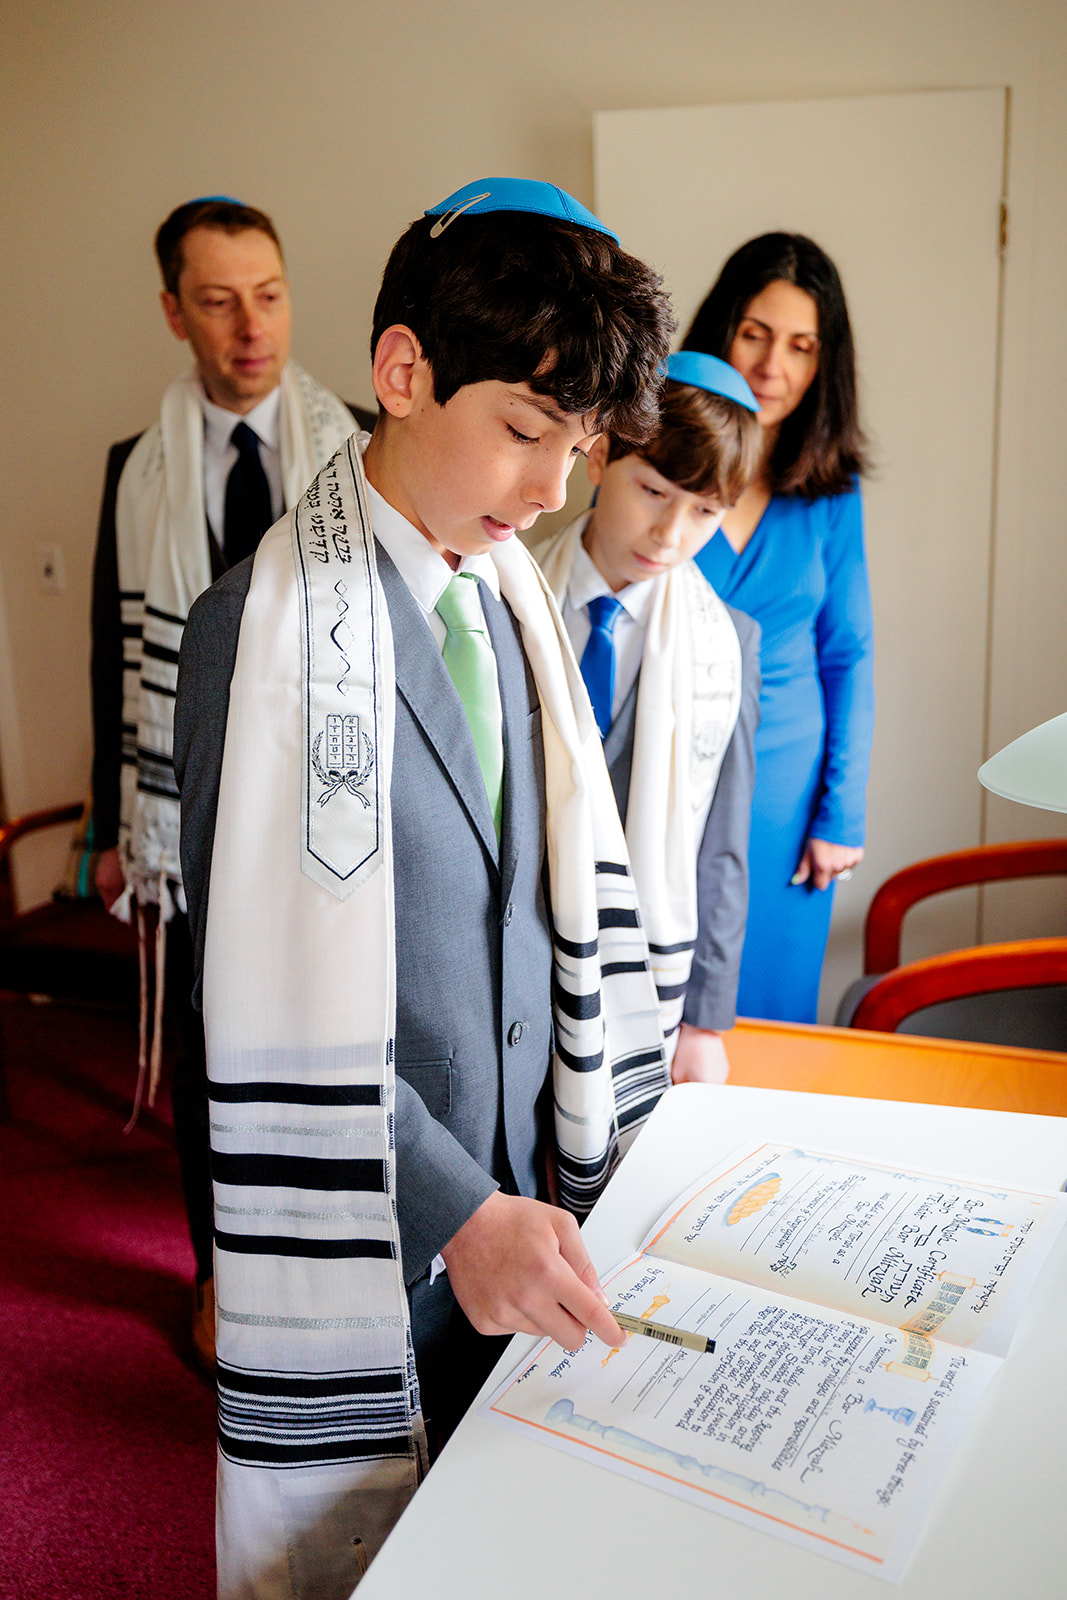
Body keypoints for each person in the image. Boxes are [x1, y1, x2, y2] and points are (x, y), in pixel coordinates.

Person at [173, 177, 675, 1596]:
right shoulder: (255, 632)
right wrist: (458, 1211)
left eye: (576, 446)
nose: (552, 487)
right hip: (390, 1245)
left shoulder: (513, 604)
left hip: (539, 1211)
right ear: (402, 373)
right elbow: (253, 1000)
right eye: (523, 430)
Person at [90, 196, 366, 1370]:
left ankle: (334, 1279)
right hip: (192, 816)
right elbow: (110, 653)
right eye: (216, 301)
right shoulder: (134, 469)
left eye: (268, 294)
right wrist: (112, 823)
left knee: (339, 1045)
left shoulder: (356, 441)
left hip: (321, 805)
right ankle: (217, 1278)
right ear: (173, 312)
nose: (250, 327)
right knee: (215, 1056)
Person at [535, 351, 763, 1084]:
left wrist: (703, 1020)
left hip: (639, 963)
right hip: (522, 948)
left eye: (704, 512)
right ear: (599, 457)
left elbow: (722, 845)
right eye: (654, 491)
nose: (670, 534)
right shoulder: (508, 590)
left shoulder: (727, 644)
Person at [684, 233, 874, 1023]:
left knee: (771, 1019)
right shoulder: (655, 454)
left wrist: (840, 813)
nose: (772, 368)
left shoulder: (829, 491)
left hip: (786, 800)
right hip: (671, 778)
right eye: (755, 334)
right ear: (721, 328)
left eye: (800, 347)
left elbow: (849, 652)